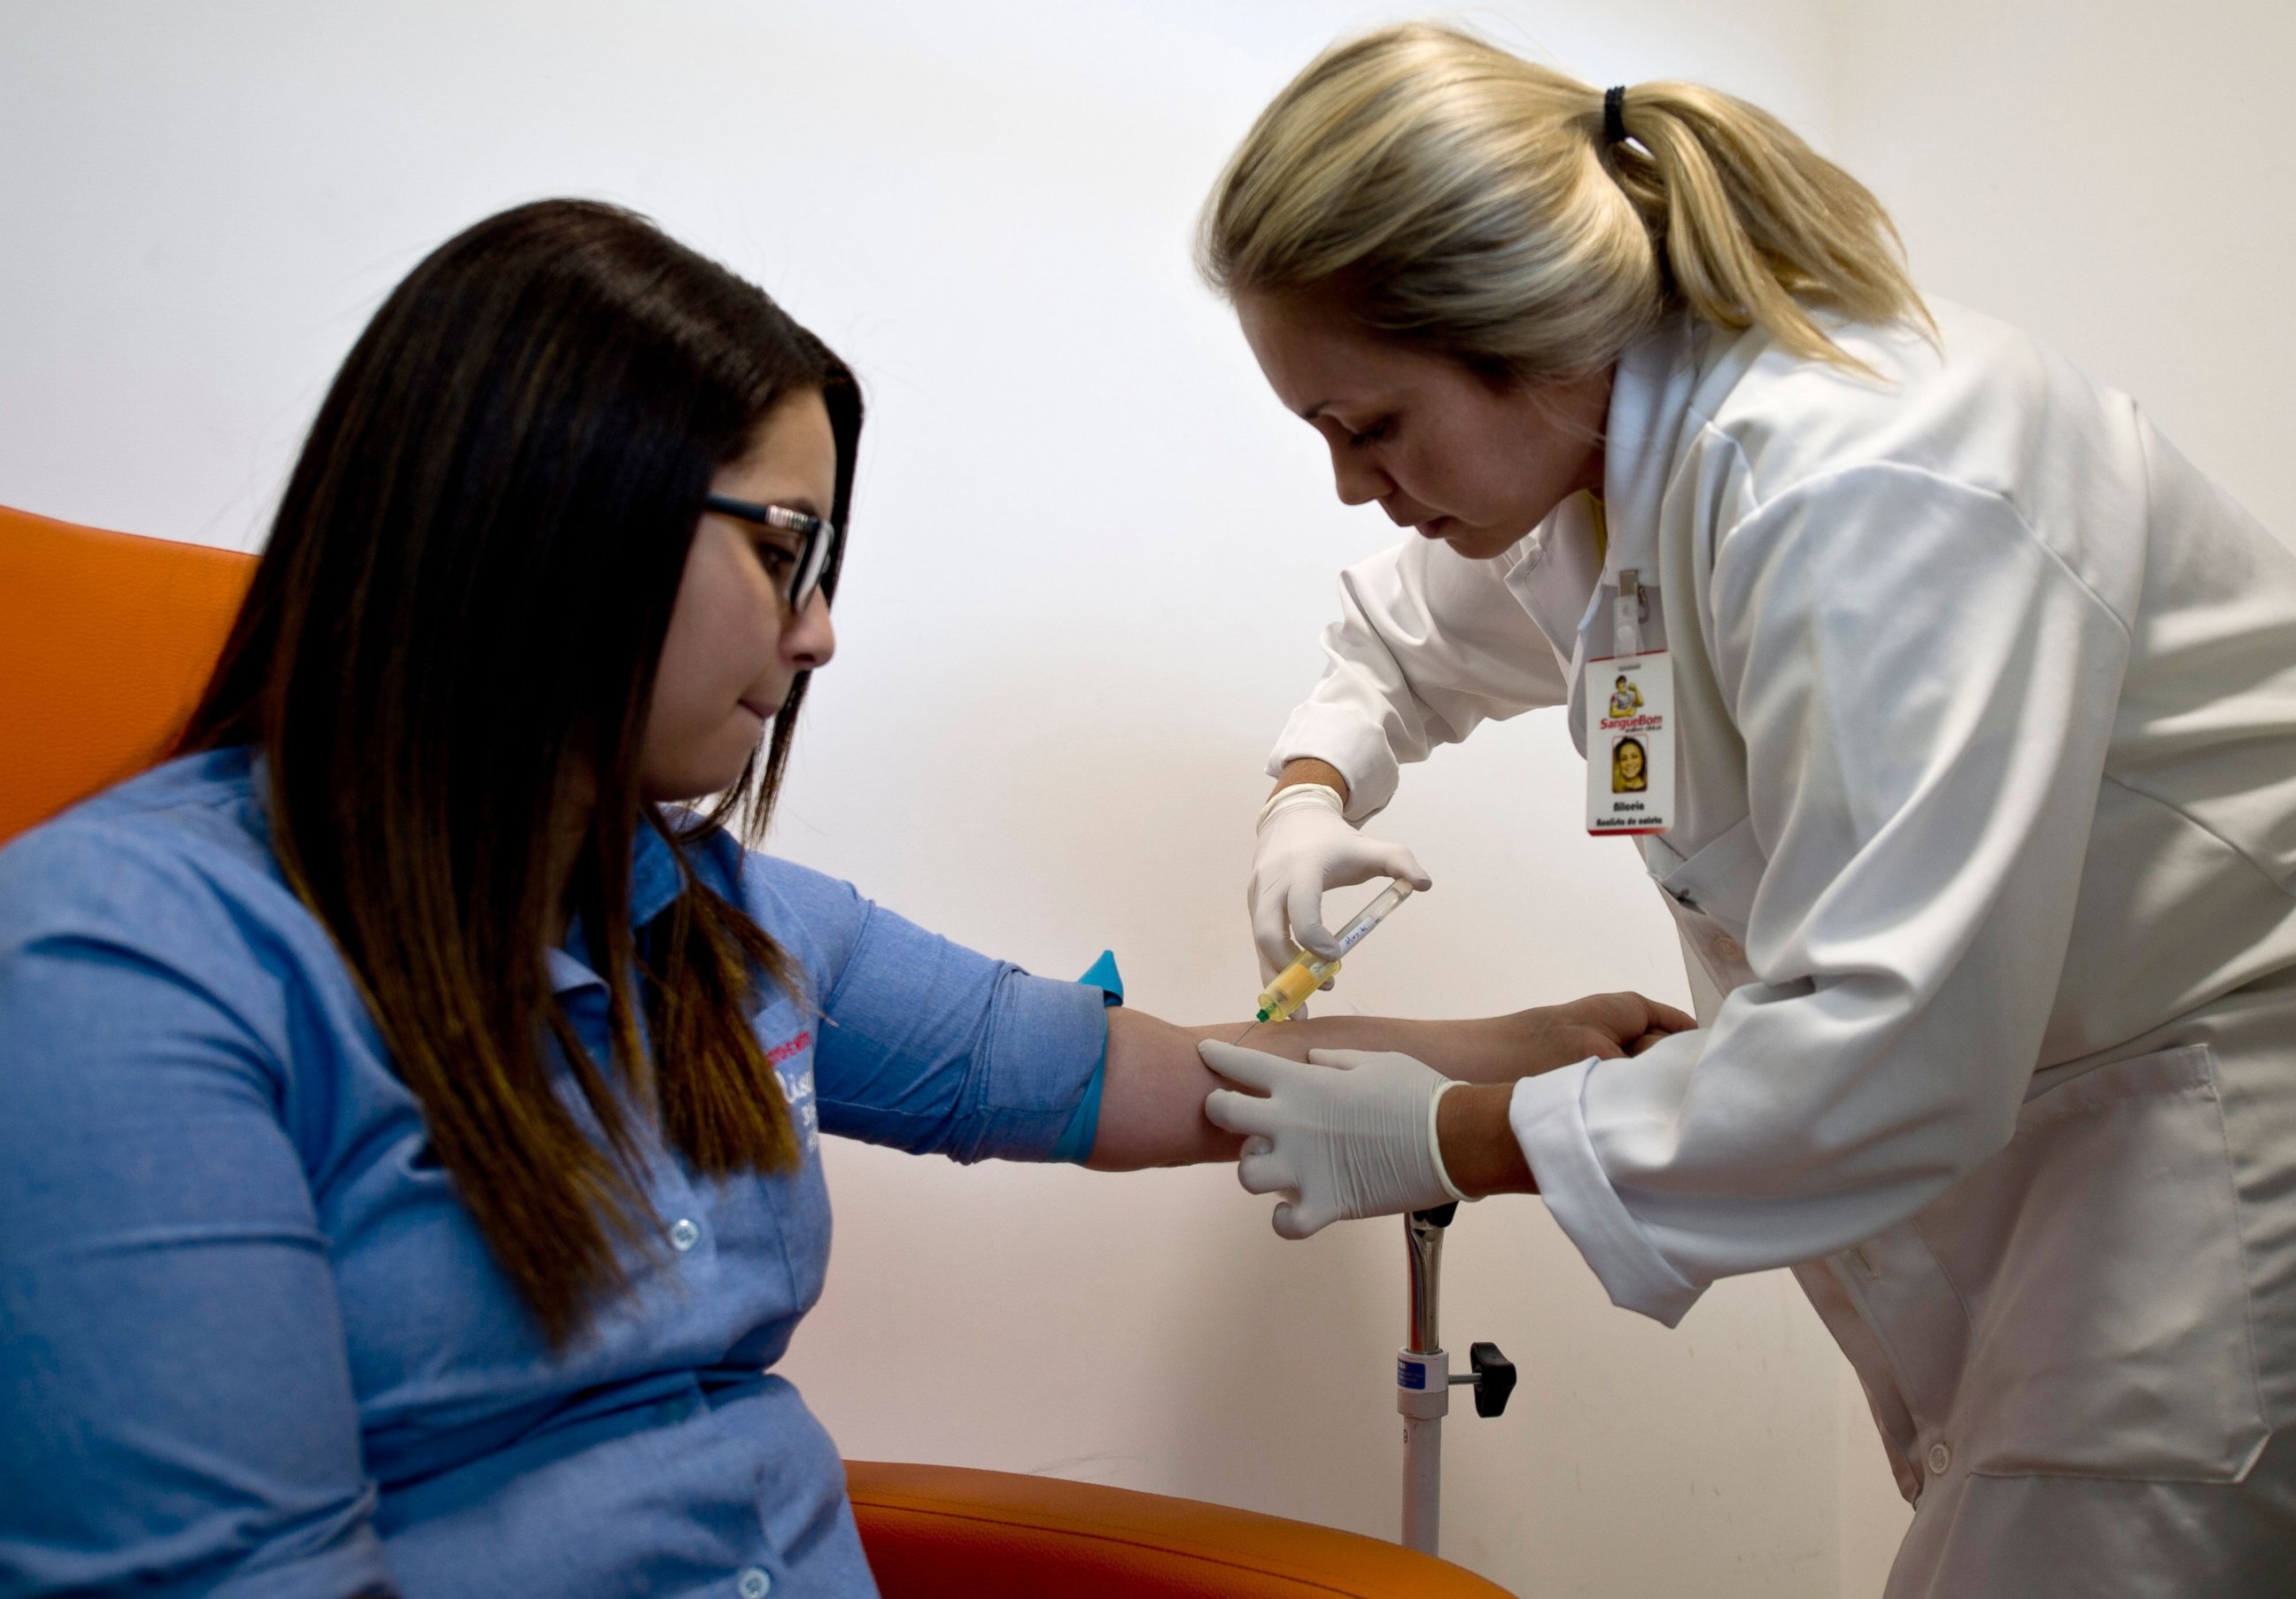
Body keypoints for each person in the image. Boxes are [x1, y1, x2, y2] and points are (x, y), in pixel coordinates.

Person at [0, 198, 1686, 1599]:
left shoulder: (727, 921)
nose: (817, 636)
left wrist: (1532, 1064)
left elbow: (1140, 1074)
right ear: (556, 510)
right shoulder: (130, 973)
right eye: (782, 552)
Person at [1191, 22, 2296, 1595]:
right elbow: (1401, 636)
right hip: (2043, 1169)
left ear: (1527, 327)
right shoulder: (1606, 486)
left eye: (1372, 426)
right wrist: (1309, 789)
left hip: (2204, 1174)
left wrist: (1459, 1128)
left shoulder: (1865, 479)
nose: (1355, 485)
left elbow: (1897, 1040)